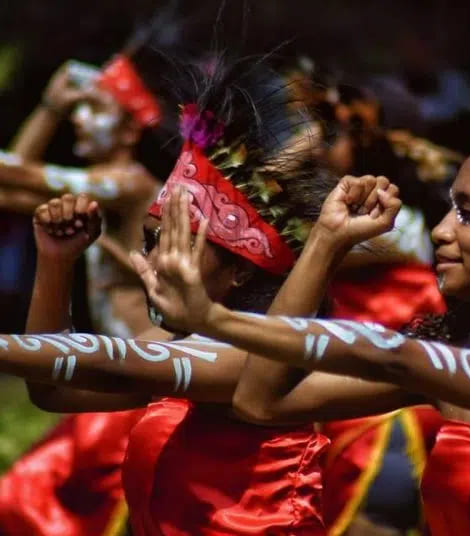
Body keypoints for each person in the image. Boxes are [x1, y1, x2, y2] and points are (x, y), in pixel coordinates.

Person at [133, 88, 470, 536]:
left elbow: (394, 358)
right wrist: (327, 242)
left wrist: (213, 319)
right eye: (449, 208)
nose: (441, 230)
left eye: (468, 213)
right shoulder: (459, 362)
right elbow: (262, 399)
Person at [0, 54, 371, 535]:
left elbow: (99, 364)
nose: (151, 260)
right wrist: (56, 262)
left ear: (239, 271)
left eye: (172, 243)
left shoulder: (245, 358)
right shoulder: (180, 345)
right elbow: (53, 389)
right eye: (150, 241)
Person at [0, 42, 173, 536]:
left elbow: (9, 171)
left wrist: (50, 108)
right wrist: (50, 108)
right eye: (76, 108)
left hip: (143, 387)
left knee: (24, 496)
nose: (78, 117)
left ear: (131, 125)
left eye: (93, 108)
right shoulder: (96, 187)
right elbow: (7, 190)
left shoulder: (130, 184)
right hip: (116, 385)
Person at [288, 64, 455, 535]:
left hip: (387, 427)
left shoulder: (399, 225)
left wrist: (283, 156)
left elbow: (277, 244)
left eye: (332, 131)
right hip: (348, 408)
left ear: (370, 141)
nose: (317, 143)